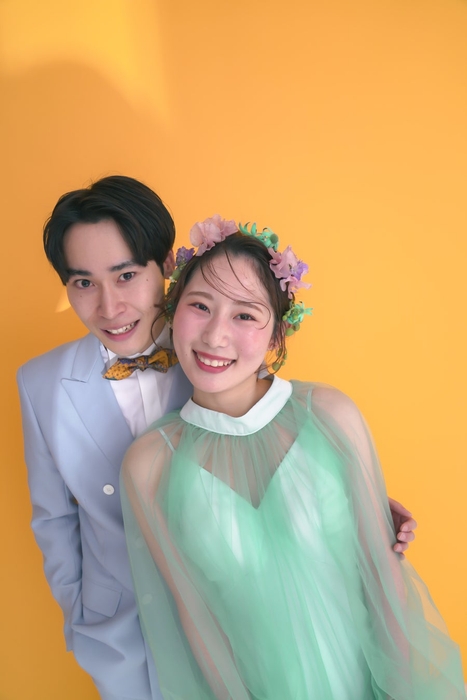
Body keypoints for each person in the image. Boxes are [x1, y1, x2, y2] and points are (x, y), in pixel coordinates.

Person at [17, 180, 414, 700]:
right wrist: (82, 615)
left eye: (127, 275)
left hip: (252, 628)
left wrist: (358, 503)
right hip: (125, 637)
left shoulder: (214, 351)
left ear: (166, 268)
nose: (109, 306)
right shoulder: (40, 384)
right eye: (83, 282)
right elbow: (53, 518)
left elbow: (273, 457)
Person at [121, 216, 466, 700]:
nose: (215, 335)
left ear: (277, 334)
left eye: (245, 315)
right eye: (200, 306)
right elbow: (195, 619)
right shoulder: (150, 463)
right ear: (173, 312)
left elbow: (382, 575)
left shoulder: (329, 414)